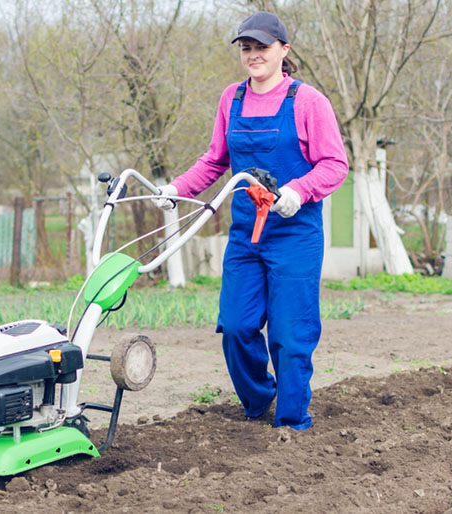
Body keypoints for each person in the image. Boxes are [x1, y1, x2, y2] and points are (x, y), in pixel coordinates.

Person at [154, 11, 348, 430]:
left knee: (289, 335)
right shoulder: (232, 99)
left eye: (262, 47)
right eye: (247, 47)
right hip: (246, 236)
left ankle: (292, 421)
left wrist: (298, 191)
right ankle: (260, 399)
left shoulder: (308, 101)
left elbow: (335, 164)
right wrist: (176, 189)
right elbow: (215, 160)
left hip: (294, 235)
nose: (254, 55)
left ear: (284, 50)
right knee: (237, 327)